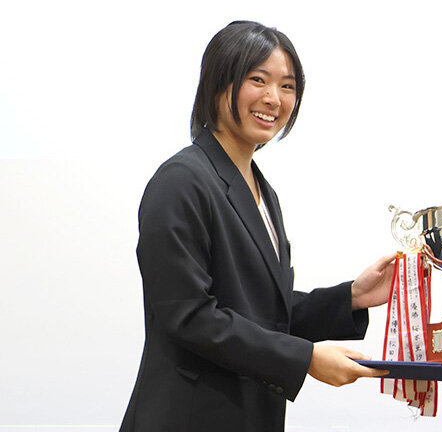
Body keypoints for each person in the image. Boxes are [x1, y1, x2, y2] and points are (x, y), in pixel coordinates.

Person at [120, 21, 393, 432]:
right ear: (218, 82)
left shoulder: (261, 189)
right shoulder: (181, 180)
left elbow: (260, 312)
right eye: (257, 80)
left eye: (287, 86)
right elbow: (190, 316)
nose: (273, 99)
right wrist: (306, 359)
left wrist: (351, 297)